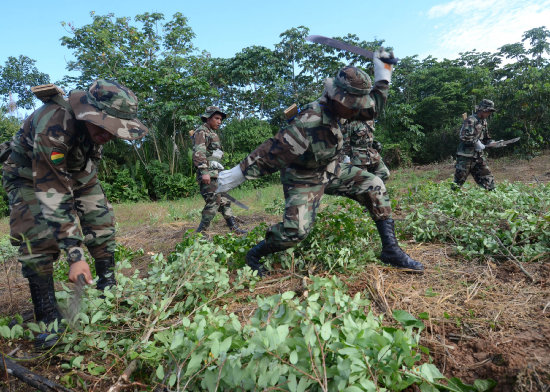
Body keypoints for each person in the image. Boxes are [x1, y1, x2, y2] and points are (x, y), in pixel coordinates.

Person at [217, 49, 424, 276]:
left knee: (374, 184)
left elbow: (374, 106)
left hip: (331, 168)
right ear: (338, 97)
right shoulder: (309, 121)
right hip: (303, 177)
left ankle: (391, 250)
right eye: (354, 104)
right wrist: (235, 175)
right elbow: (271, 153)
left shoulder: (346, 106)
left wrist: (383, 72)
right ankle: (254, 254)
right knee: (295, 232)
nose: (357, 109)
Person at [2, 79, 148, 348]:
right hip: (28, 176)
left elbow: (83, 174)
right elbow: (52, 191)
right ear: (88, 114)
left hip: (76, 169)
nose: (109, 136)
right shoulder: (54, 124)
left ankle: (107, 288)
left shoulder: (93, 131)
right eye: (105, 128)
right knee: (38, 235)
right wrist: (75, 255)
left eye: (114, 130)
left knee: (101, 217)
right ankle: (47, 317)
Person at [192, 106, 246, 234]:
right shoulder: (201, 132)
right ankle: (201, 232)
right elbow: (199, 153)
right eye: (216, 118)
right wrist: (204, 172)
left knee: (224, 201)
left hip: (216, 174)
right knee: (213, 202)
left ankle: (234, 228)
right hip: (207, 174)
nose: (219, 121)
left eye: (220, 119)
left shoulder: (212, 133)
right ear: (208, 118)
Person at [453, 99, 496, 191]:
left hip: (478, 157)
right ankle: (449, 201)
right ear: (482, 110)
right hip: (465, 157)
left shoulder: (484, 122)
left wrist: (492, 143)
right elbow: (464, 137)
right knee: (458, 182)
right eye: (488, 111)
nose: (489, 113)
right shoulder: (470, 120)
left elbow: (486, 138)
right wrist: (476, 142)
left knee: (487, 178)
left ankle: (493, 198)